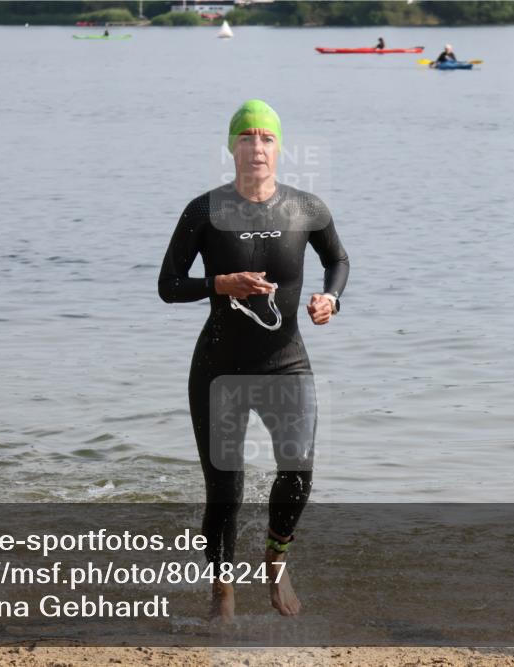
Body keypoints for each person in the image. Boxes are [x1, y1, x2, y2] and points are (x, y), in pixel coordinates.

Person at [158, 99, 349, 621]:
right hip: (220, 365)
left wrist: (330, 299)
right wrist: (220, 283)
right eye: (247, 138)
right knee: (225, 487)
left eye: (266, 138)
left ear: (278, 147)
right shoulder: (205, 210)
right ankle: (223, 593)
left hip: (285, 360)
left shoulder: (306, 208)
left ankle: (275, 561)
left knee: (299, 472)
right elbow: (167, 286)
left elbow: (338, 260)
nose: (257, 147)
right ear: (232, 147)